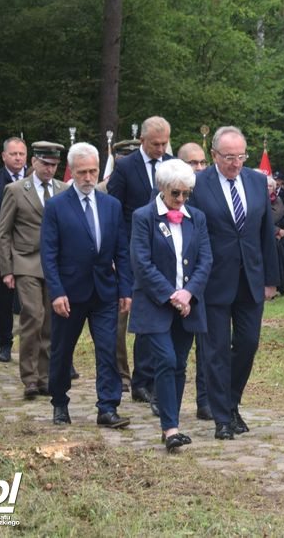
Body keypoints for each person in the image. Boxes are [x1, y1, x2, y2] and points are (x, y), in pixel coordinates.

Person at [187, 126, 278, 440]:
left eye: (241, 156)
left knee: (248, 343)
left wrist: (270, 278)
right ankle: (222, 418)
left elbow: (265, 232)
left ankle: (232, 401)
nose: (236, 163)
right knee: (215, 351)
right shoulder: (198, 185)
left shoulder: (255, 181)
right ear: (214, 155)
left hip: (250, 278)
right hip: (212, 280)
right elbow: (192, 237)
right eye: (229, 157)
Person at [42, 142, 133, 427]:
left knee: (108, 348)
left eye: (93, 171)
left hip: (104, 290)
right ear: (72, 171)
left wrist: (125, 289)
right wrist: (56, 292)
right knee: (62, 349)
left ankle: (108, 407)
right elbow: (49, 252)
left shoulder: (111, 205)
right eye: (82, 172)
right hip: (69, 292)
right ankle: (59, 402)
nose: (89, 177)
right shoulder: (56, 206)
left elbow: (121, 250)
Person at [128, 159, 213, 450]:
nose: (181, 199)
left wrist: (189, 293)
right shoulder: (144, 217)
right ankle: (170, 428)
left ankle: (172, 420)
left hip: (188, 304)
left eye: (186, 194)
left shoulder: (196, 218)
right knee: (164, 359)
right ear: (162, 188)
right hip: (155, 303)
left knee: (178, 364)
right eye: (176, 193)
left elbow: (205, 260)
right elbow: (141, 263)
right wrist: (171, 295)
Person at [108, 116, 173, 413]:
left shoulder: (172, 165)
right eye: (156, 144)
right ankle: (126, 376)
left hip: (165, 252)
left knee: (157, 316)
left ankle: (146, 379)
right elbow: (114, 210)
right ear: (143, 140)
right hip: (132, 250)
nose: (161, 149)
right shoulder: (125, 167)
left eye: (165, 143)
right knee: (132, 315)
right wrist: (117, 252)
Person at [0, 141, 66, 399]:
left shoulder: (63, 189)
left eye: (54, 165)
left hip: (55, 264)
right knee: (33, 316)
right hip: (26, 261)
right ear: (34, 162)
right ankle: (28, 377)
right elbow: (4, 232)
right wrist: (6, 268)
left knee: (51, 321)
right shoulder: (15, 190)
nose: (50, 169)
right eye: (45, 164)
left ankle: (45, 376)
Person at [98, 138, 140, 392]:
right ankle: (121, 374)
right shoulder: (103, 190)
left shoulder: (152, 185)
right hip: (116, 264)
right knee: (117, 324)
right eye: (124, 159)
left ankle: (143, 375)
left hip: (144, 261)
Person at [176, 140, 213, 420]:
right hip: (179, 281)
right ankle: (164, 394)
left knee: (208, 344)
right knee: (175, 350)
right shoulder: (173, 192)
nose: (199, 168)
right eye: (193, 163)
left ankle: (205, 400)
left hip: (208, 275)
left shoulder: (212, 187)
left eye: (202, 162)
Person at [0, 137, 29, 364]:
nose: (18, 158)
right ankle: (5, 343)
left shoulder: (34, 180)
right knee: (4, 299)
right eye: (13, 154)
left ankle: (33, 345)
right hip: (2, 248)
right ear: (3, 156)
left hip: (30, 250)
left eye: (22, 154)